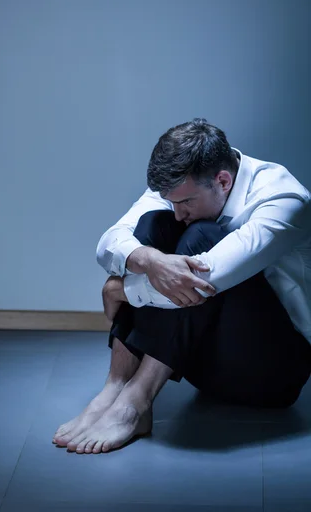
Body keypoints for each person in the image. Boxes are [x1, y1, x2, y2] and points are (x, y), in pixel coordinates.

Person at [53, 118, 311, 455]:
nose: (178, 213)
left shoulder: (284, 198)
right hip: (197, 358)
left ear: (223, 180)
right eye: (173, 201)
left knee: (201, 239)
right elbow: (110, 243)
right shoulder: (183, 181)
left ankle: (135, 402)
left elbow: (205, 280)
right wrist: (146, 259)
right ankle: (114, 388)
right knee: (151, 228)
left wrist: (118, 288)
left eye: (185, 203)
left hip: (271, 376)